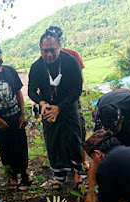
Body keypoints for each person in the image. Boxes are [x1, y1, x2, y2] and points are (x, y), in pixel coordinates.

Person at [28, 31, 83, 190]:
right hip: (48, 110)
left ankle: (78, 174)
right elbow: (32, 91)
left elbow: (77, 89)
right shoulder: (37, 66)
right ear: (40, 49)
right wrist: (43, 103)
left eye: (53, 49)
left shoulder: (71, 62)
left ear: (59, 46)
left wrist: (60, 108)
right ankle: (59, 176)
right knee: (53, 141)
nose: (50, 54)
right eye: (46, 50)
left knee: (73, 139)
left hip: (68, 107)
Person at [0, 43, 36, 190]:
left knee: (21, 145)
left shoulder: (10, 71)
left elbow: (18, 93)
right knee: (6, 147)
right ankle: (12, 177)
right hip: (0, 120)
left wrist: (22, 114)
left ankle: (24, 174)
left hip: (16, 116)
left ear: (1, 54)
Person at [47, 25, 89, 169]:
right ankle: (63, 166)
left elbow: (79, 80)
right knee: (58, 134)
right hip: (54, 103)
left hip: (72, 100)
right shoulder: (47, 57)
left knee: (78, 130)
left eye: (58, 37)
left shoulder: (72, 55)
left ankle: (81, 162)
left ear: (61, 38)